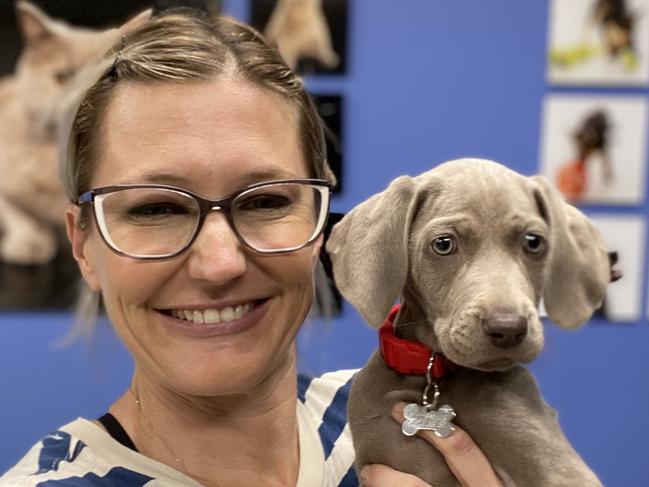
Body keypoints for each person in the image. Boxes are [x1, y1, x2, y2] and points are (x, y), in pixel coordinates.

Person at [0, 9, 502, 487]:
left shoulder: (429, 426)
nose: (220, 264)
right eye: (156, 209)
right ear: (83, 244)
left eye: (264, 201)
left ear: (319, 217)